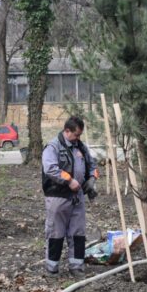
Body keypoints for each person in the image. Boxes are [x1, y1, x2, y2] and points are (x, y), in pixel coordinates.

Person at [41, 116, 98, 277]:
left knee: (77, 232)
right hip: (58, 196)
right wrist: (69, 180)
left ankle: (77, 266)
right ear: (67, 131)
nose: (78, 138)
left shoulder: (80, 147)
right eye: (76, 135)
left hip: (77, 197)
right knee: (56, 233)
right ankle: (52, 268)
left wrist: (92, 179)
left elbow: (92, 165)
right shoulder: (53, 147)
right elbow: (50, 168)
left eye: (80, 135)